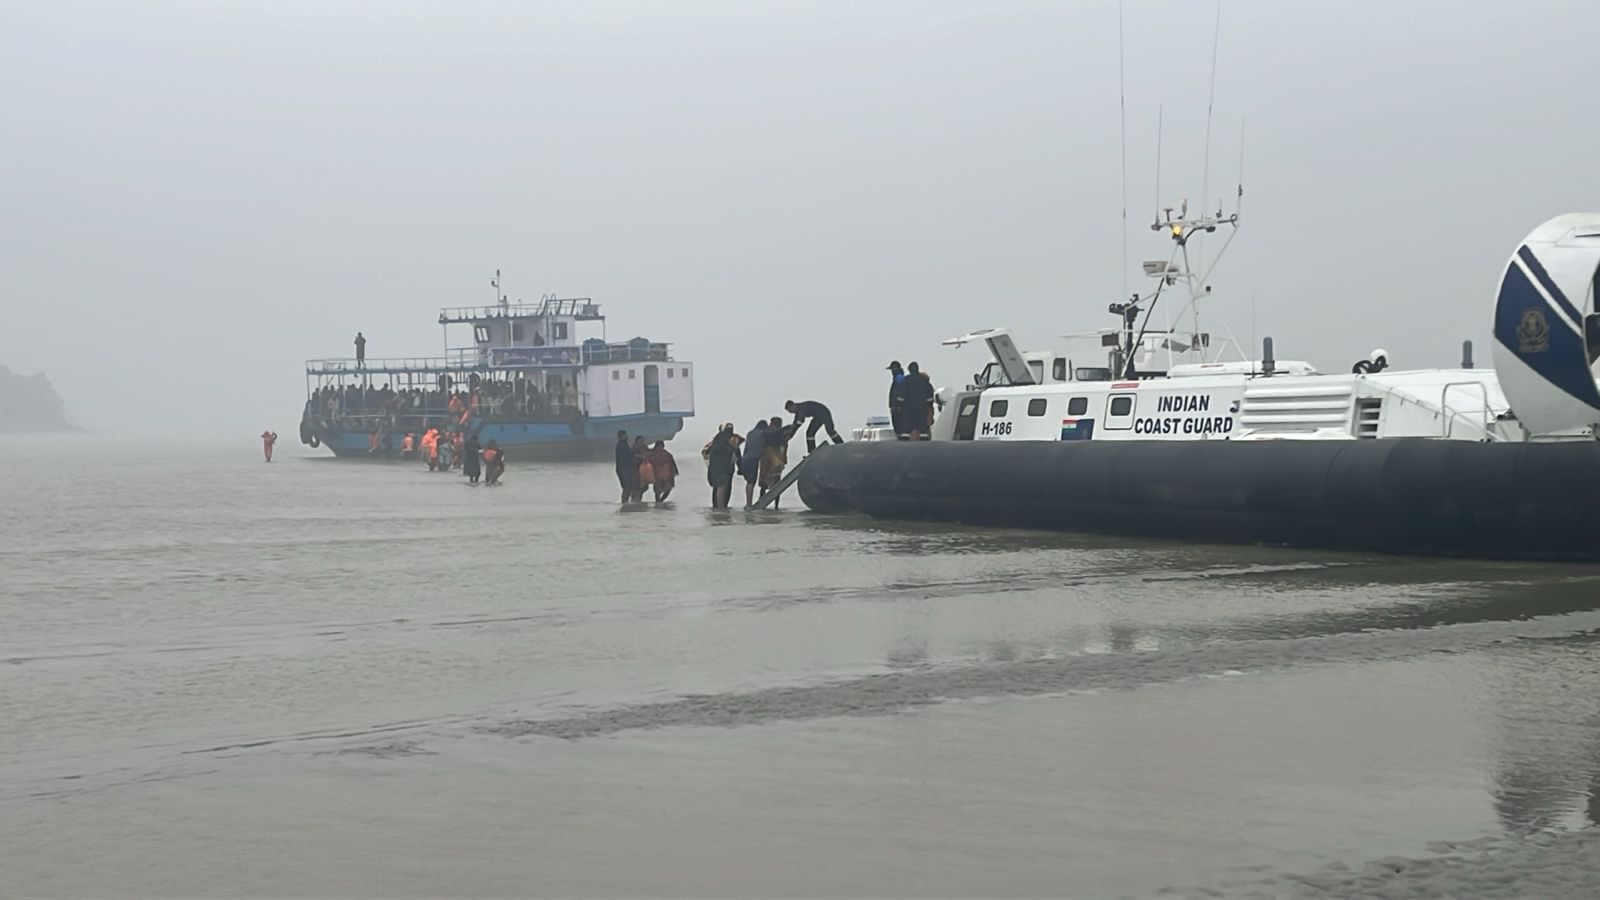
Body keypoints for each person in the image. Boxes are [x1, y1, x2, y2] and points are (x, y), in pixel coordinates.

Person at [703, 423, 739, 510]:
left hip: (715, 468)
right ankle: (721, 508)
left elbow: (704, 452)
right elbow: (736, 453)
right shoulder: (733, 439)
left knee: (717, 487)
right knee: (723, 487)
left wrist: (708, 463)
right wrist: (740, 467)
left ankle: (717, 507)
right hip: (726, 468)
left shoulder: (716, 439)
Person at [901, 362, 935, 439]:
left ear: (909, 370)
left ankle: (909, 438)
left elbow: (902, 394)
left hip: (909, 408)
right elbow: (929, 393)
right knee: (922, 425)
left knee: (910, 425)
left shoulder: (906, 380)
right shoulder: (924, 380)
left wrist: (900, 403)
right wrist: (929, 404)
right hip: (922, 407)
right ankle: (923, 437)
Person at [740, 420, 768, 508]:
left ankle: (748, 503)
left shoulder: (750, 433)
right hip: (753, 459)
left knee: (749, 482)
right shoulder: (763, 434)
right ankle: (749, 504)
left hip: (745, 459)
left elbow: (746, 447)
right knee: (751, 482)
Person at [887, 361, 909, 439]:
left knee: (898, 423)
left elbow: (899, 392)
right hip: (896, 405)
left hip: (897, 406)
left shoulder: (899, 378)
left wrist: (898, 403)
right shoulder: (898, 377)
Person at [615, 430, 637, 503]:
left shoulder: (624, 444)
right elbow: (628, 455)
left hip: (624, 468)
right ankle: (624, 502)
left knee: (628, 487)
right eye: (625, 435)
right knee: (627, 487)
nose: (627, 436)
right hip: (623, 469)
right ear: (621, 436)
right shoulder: (621, 445)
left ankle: (625, 503)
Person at [632, 436, 652, 503]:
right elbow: (632, 455)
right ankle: (634, 501)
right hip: (636, 469)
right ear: (636, 441)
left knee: (644, 487)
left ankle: (638, 501)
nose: (642, 442)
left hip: (644, 469)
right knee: (637, 486)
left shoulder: (644, 447)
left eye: (642, 440)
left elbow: (649, 452)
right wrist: (641, 456)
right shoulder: (634, 448)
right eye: (640, 441)